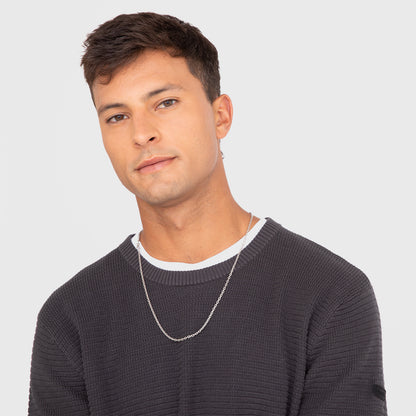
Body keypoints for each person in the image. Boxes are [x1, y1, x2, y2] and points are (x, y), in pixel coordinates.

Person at [27, 12, 387, 415]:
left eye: (165, 103)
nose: (141, 133)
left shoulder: (330, 294)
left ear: (221, 116)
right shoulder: (71, 317)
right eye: (117, 116)